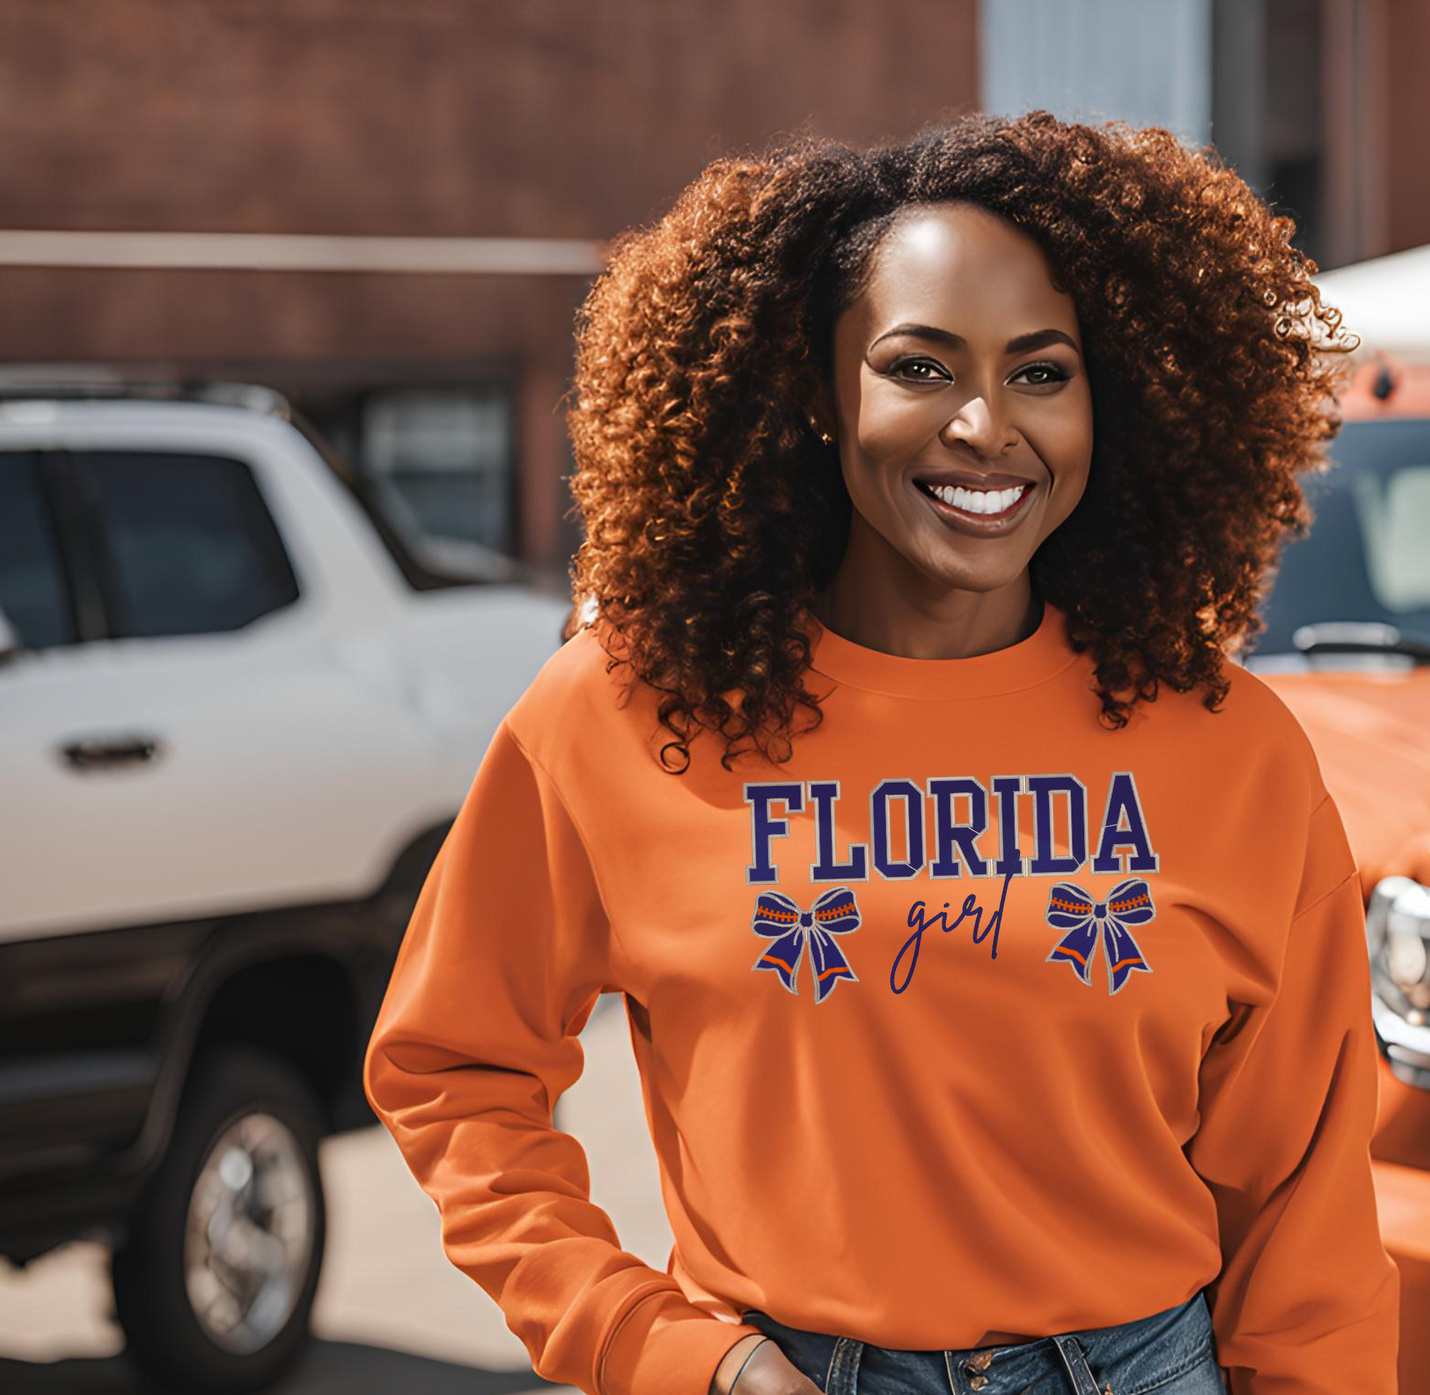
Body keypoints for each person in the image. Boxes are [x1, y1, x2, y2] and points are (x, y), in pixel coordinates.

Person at [361, 110, 1400, 1395]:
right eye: (918, 367)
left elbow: (1300, 1189)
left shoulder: (1223, 741)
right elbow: (452, 1067)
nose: (983, 425)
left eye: (1040, 371)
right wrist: (659, 1345)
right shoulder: (629, 710)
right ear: (814, 385)